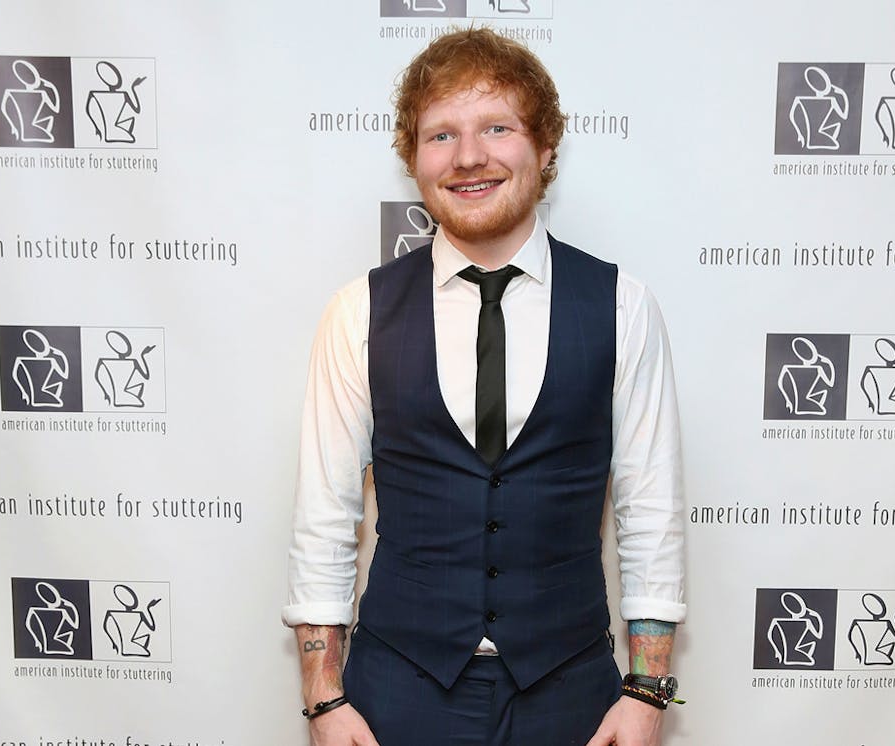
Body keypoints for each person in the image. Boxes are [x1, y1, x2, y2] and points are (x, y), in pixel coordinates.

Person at [283, 27, 686, 746]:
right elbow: (326, 514)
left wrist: (647, 691)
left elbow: (650, 510)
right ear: (414, 159)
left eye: (497, 127)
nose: (469, 156)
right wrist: (323, 697)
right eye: (441, 135)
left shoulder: (623, 306)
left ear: (546, 146)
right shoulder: (358, 313)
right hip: (394, 696)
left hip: (574, 697)